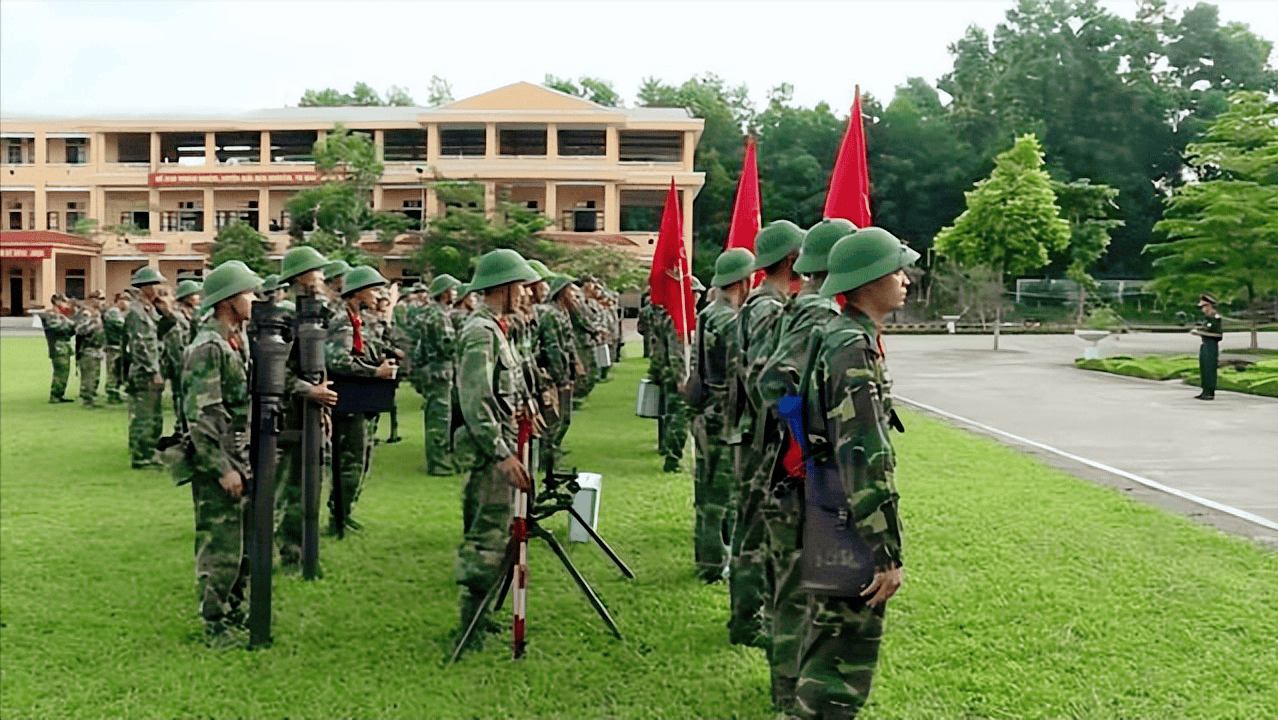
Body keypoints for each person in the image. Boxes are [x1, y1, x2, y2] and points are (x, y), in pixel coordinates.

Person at [797, 227, 916, 719]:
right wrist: (885, 553)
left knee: (825, 648)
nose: (906, 280)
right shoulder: (852, 348)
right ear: (869, 280)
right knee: (839, 670)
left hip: (828, 505)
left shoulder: (840, 334)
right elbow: (864, 455)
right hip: (848, 518)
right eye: (896, 271)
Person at [757, 218, 856, 712]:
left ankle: (786, 690)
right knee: (798, 593)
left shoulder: (803, 307)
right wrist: (807, 442)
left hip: (789, 471)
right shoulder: (819, 314)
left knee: (791, 589)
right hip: (801, 476)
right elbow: (774, 386)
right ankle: (788, 694)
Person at [726, 219, 805, 650]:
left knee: (752, 528)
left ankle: (746, 616)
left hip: (757, 436)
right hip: (761, 440)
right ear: (791, 259)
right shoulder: (767, 309)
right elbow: (763, 379)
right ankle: (746, 620)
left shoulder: (766, 304)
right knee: (754, 532)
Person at [453, 249, 538, 641]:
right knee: (485, 535)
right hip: (489, 453)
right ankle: (469, 625)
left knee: (499, 530)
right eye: (520, 285)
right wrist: (502, 453)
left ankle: (481, 614)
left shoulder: (499, 329)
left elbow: (509, 387)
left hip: (502, 444)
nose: (525, 293)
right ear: (502, 288)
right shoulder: (479, 333)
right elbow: (476, 399)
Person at [178, 260, 262, 646]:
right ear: (228, 300)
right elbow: (202, 415)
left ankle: (234, 610)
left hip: (239, 454)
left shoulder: (236, 338)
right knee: (221, 547)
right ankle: (214, 623)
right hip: (219, 461)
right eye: (248, 293)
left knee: (242, 544)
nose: (254, 300)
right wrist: (222, 469)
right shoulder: (206, 347)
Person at [690, 248, 754, 583]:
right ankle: (715, 564)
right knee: (721, 495)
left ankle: (707, 558)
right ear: (744, 281)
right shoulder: (730, 320)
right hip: (725, 416)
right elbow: (738, 375)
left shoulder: (707, 312)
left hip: (706, 410)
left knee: (706, 489)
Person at [275, 246, 340, 568]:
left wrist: (323, 404)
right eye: (317, 271)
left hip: (312, 413)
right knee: (291, 488)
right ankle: (290, 554)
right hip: (290, 416)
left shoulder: (311, 313)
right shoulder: (285, 314)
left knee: (311, 485)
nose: (322, 278)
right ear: (302, 276)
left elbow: (318, 365)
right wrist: (308, 391)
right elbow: (272, 369)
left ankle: (303, 552)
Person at [325, 265, 398, 535]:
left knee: (362, 459)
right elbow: (337, 360)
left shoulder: (356, 319)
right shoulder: (342, 321)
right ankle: (339, 517)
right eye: (372, 289)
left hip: (360, 399)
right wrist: (375, 371)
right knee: (352, 462)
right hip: (348, 402)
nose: (376, 294)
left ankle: (344, 512)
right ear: (357, 293)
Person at [125, 268, 169, 469]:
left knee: (154, 414)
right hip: (144, 371)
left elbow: (163, 331)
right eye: (157, 284)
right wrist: (153, 370)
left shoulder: (150, 309)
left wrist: (166, 312)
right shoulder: (136, 312)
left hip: (153, 367)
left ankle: (150, 451)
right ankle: (141, 456)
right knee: (143, 415)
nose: (160, 288)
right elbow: (141, 345)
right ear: (147, 287)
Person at [420, 274, 461, 474]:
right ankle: (438, 463)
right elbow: (448, 346)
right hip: (440, 372)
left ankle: (439, 460)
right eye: (452, 290)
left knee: (437, 416)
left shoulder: (433, 313)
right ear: (445, 293)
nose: (455, 293)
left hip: (435, 371)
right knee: (439, 419)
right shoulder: (440, 316)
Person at [34, 295, 77, 403]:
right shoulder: (50, 316)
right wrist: (72, 324)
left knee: (65, 372)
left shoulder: (61, 316)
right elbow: (59, 329)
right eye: (64, 301)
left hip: (64, 347)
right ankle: (55, 395)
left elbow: (71, 330)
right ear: (57, 302)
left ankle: (59, 394)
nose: (66, 304)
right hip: (57, 347)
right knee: (60, 372)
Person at [1192, 293, 1223, 400]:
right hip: (1205, 345)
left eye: (1203, 307)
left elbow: (1218, 335)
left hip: (1212, 346)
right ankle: (1204, 391)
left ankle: (1210, 392)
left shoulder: (1216, 318)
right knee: (1204, 369)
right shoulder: (1207, 319)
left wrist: (1200, 333)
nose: (1202, 309)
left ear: (1209, 306)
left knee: (1210, 369)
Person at [102, 293, 129, 404]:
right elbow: (121, 325)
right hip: (113, 345)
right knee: (113, 370)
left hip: (119, 345)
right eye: (126, 300)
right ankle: (112, 394)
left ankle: (115, 393)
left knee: (118, 370)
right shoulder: (113, 312)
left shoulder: (120, 313)